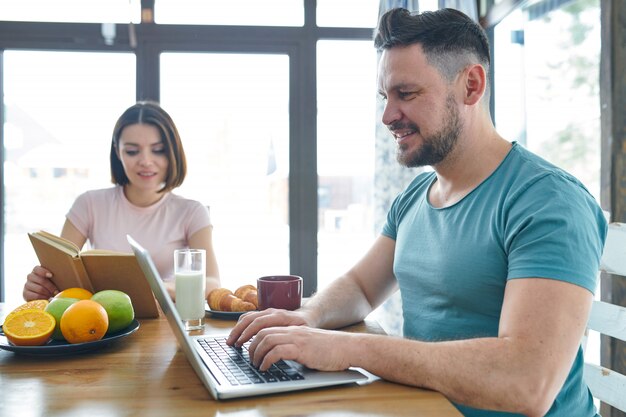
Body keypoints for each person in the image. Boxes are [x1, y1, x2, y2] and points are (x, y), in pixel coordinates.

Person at [227, 8, 606, 417]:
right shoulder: (417, 195)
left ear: (471, 86)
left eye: (405, 94)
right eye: (385, 97)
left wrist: (347, 349)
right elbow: (360, 286)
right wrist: (307, 315)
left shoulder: (549, 201)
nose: (388, 116)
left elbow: (527, 382)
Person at [23, 101, 220, 301]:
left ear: (172, 152)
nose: (145, 161)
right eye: (132, 151)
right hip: (102, 324)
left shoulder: (191, 212)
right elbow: (59, 277)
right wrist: (40, 287)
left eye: (158, 150)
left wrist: (160, 287)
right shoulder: (89, 204)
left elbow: (212, 282)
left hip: (164, 324)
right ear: (118, 152)